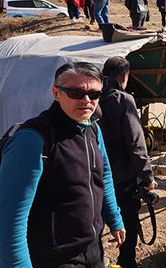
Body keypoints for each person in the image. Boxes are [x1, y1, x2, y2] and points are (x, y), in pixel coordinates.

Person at [0, 62, 125, 267]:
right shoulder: (32, 139)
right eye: (76, 93)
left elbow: (104, 176)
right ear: (56, 93)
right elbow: (11, 219)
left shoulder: (93, 129)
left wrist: (114, 218)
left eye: (94, 95)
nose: (86, 100)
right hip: (52, 257)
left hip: (92, 250)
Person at [99, 57, 157, 268]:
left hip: (94, 175)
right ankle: (126, 263)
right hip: (122, 177)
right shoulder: (123, 100)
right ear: (124, 76)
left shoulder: (91, 97)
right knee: (128, 222)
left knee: (95, 224)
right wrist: (147, 177)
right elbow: (136, 144)